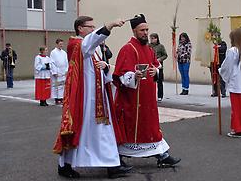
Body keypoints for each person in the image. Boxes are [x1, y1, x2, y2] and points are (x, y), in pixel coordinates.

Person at [53, 16, 131, 179]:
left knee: (100, 132)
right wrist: (109, 25)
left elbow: (96, 68)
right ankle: (66, 165)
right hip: (85, 99)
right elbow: (91, 41)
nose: (92, 29)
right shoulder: (77, 44)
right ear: (80, 28)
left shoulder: (90, 48)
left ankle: (112, 165)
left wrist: (105, 68)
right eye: (90, 27)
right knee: (79, 131)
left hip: (96, 98)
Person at [113, 14, 181, 168]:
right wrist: (133, 76)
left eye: (147, 30)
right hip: (132, 100)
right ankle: (117, 158)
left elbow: (157, 65)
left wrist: (155, 72)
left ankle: (162, 155)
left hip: (148, 99)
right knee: (131, 129)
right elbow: (120, 76)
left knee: (151, 127)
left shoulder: (149, 49)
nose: (145, 33)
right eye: (142, 30)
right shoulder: (127, 49)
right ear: (134, 31)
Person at [219, 28, 241, 138]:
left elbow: (227, 67)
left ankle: (237, 130)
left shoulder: (232, 51)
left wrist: (220, 71)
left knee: (236, 109)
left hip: (236, 84)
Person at [149, 33, 168, 101]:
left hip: (159, 66)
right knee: (151, 82)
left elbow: (165, 55)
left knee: (159, 81)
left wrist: (159, 59)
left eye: (153, 38)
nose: (152, 40)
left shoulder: (161, 46)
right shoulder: (148, 46)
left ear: (157, 39)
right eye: (151, 38)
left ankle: (160, 96)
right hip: (151, 66)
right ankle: (151, 96)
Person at [50, 39, 68, 105]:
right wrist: (54, 72)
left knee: (62, 85)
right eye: (60, 44)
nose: (61, 45)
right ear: (57, 44)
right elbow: (52, 62)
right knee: (56, 85)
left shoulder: (64, 52)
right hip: (57, 71)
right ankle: (57, 99)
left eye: (62, 44)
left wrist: (66, 70)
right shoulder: (53, 52)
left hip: (63, 70)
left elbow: (66, 61)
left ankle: (61, 98)